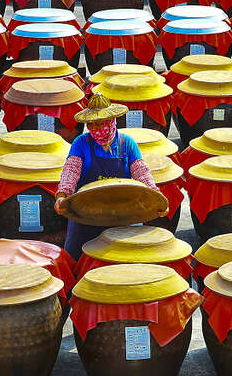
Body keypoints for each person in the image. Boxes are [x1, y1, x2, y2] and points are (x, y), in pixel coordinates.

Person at [54, 93, 164, 260]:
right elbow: (71, 170)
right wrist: (63, 195)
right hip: (87, 213)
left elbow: (141, 173)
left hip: (124, 212)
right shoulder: (81, 143)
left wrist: (155, 197)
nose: (96, 129)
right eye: (91, 125)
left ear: (112, 121)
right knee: (74, 259)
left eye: (100, 124)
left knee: (130, 260)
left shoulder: (127, 144)